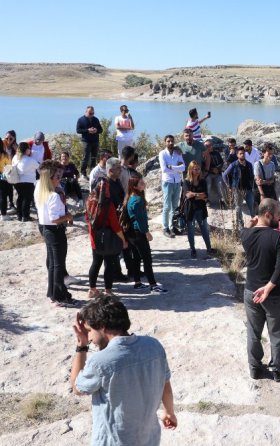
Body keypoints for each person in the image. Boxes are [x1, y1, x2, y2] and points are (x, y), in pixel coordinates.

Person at [70, 297, 177, 445]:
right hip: (149, 438)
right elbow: (165, 383)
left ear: (102, 326)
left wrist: (81, 346)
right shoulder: (154, 346)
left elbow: (77, 387)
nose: (89, 338)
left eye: (89, 331)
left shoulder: (100, 361)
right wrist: (169, 412)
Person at [241, 198, 280, 382]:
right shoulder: (278, 237)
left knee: (253, 332)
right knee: (276, 333)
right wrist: (269, 288)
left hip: (251, 292)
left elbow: (245, 230)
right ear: (268, 214)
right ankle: (278, 370)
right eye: (278, 213)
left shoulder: (246, 235)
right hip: (274, 295)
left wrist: (249, 224)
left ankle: (255, 368)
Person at [34, 160, 77, 307]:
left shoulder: (40, 189)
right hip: (55, 230)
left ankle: (52, 293)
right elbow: (56, 219)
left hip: (46, 228)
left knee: (53, 263)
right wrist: (68, 217)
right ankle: (60, 295)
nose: (60, 179)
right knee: (58, 264)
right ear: (50, 178)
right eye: (57, 177)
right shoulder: (53, 195)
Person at [86, 162, 128, 300]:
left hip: (94, 237)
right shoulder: (107, 204)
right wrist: (123, 240)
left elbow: (88, 218)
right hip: (108, 238)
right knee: (109, 264)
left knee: (95, 262)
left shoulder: (90, 200)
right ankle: (108, 291)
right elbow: (115, 225)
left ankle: (92, 289)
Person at [125, 176, 168, 293]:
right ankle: (153, 285)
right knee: (147, 260)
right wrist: (147, 232)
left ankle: (138, 283)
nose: (144, 183)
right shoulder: (138, 200)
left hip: (131, 234)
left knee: (137, 258)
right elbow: (140, 220)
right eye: (141, 182)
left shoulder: (130, 198)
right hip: (138, 233)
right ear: (135, 186)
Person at [183, 161, 215, 258]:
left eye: (199, 169)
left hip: (201, 208)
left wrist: (194, 194)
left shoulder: (203, 181)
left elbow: (205, 196)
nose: (197, 171)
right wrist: (199, 195)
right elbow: (188, 195)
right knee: (191, 231)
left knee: (204, 229)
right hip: (190, 209)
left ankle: (209, 248)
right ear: (191, 170)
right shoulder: (186, 181)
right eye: (195, 169)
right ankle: (193, 249)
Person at [158, 135, 185, 238]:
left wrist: (172, 167)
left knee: (174, 206)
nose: (170, 143)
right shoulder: (162, 154)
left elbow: (183, 167)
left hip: (177, 181)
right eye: (168, 141)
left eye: (172, 141)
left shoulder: (178, 153)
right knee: (167, 206)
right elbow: (164, 169)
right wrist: (177, 168)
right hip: (167, 181)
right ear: (165, 142)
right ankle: (165, 228)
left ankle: (172, 226)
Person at [223, 146, 255, 226]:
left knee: (252, 207)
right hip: (237, 189)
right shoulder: (234, 165)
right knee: (238, 208)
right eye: (240, 154)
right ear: (237, 155)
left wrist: (252, 186)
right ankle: (241, 225)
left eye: (243, 153)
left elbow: (252, 177)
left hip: (248, 189)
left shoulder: (249, 165)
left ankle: (255, 223)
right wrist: (229, 186)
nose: (242, 155)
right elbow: (224, 175)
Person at [12, 142, 40, 222]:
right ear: (26, 150)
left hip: (17, 181)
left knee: (20, 198)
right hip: (28, 182)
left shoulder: (15, 158)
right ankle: (25, 216)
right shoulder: (30, 160)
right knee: (26, 199)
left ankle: (19, 215)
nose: (30, 150)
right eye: (29, 148)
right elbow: (39, 168)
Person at [76, 106, 103, 178]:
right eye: (90, 113)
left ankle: (92, 172)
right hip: (86, 141)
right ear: (86, 112)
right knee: (86, 157)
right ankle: (83, 172)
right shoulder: (81, 120)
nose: (91, 114)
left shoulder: (96, 119)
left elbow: (101, 130)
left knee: (94, 157)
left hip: (95, 141)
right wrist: (88, 130)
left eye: (93, 113)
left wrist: (96, 130)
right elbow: (78, 130)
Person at [202, 139, 226, 209]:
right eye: (206, 146)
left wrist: (217, 169)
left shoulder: (216, 153)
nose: (208, 147)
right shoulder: (203, 155)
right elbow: (202, 165)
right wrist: (211, 169)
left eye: (209, 145)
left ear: (212, 146)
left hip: (217, 173)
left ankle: (222, 200)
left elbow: (221, 163)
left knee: (220, 183)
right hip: (208, 174)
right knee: (208, 183)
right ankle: (207, 200)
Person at [0, 146, 11, 220]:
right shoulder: (4, 155)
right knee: (2, 196)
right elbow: (9, 167)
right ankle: (3, 215)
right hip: (2, 177)